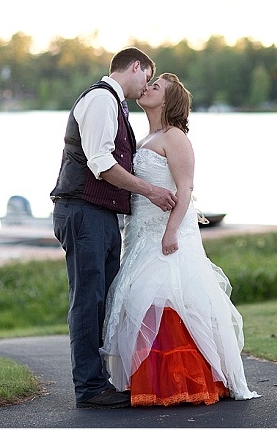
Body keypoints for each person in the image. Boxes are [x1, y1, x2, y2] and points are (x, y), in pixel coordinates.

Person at [101, 73, 260, 406]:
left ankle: (182, 382)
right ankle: (147, 379)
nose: (147, 88)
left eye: (155, 87)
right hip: (140, 232)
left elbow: (185, 188)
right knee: (139, 300)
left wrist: (171, 231)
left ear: (167, 101)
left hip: (167, 234)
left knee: (168, 298)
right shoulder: (144, 138)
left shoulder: (175, 137)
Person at [50, 47, 177, 409]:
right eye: (147, 78)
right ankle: (89, 388)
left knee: (102, 299)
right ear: (135, 67)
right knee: (88, 301)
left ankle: (98, 382)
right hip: (83, 210)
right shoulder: (101, 100)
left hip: (100, 214)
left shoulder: (115, 104)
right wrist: (151, 190)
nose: (146, 86)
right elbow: (101, 163)